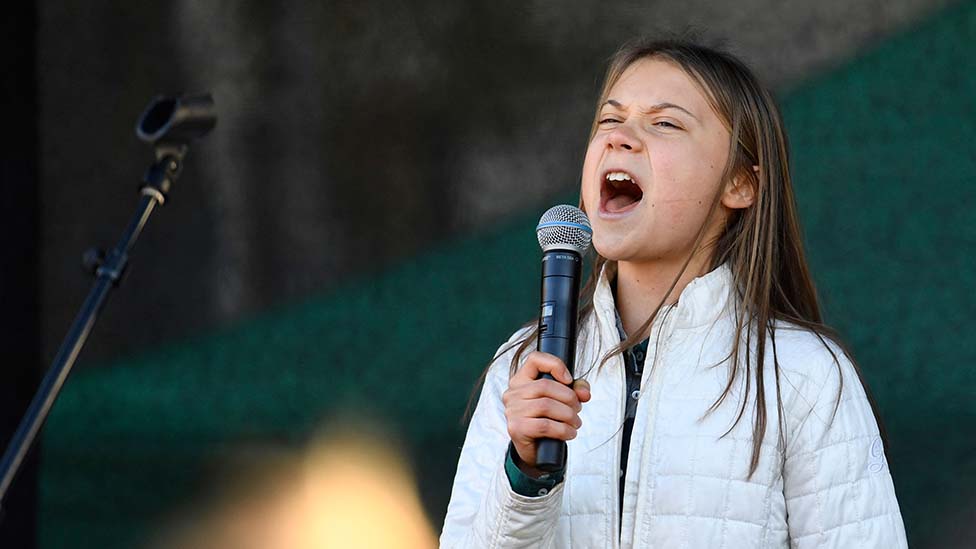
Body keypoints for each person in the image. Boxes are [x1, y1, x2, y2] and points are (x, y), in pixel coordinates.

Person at [439, 37, 908, 548]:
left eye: (664, 123)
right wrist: (526, 476)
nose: (621, 138)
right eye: (609, 121)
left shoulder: (804, 375)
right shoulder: (524, 366)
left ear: (740, 184)